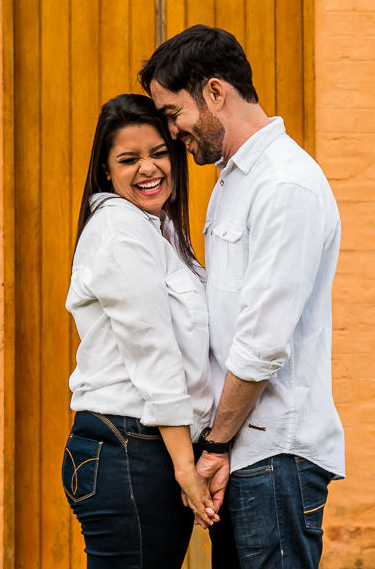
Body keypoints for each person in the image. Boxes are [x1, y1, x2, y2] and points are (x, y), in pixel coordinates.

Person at [140, 25, 345, 569]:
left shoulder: (285, 185)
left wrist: (215, 444)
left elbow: (261, 342)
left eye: (171, 112)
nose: (172, 130)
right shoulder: (235, 181)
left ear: (214, 92)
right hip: (246, 457)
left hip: (274, 456)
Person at [61, 93, 218, 569]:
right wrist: (184, 466)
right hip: (129, 446)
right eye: (129, 159)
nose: (148, 169)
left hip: (143, 448)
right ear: (107, 171)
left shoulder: (158, 229)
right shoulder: (119, 230)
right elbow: (154, 355)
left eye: (158, 153)